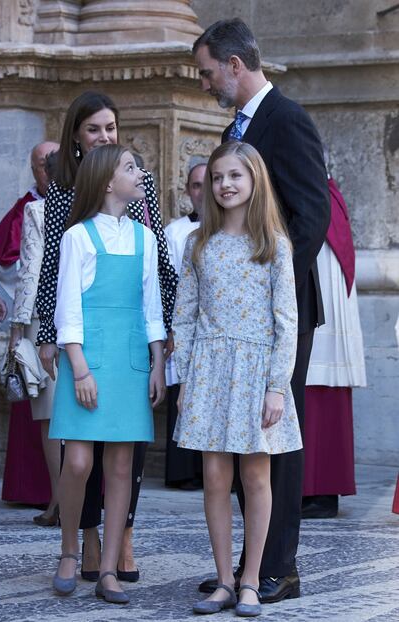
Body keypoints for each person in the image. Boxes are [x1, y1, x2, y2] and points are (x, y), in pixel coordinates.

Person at [193, 19, 330, 602]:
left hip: (280, 311)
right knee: (240, 444)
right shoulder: (237, 128)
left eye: (206, 73)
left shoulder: (288, 119)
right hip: (231, 325)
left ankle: (279, 567)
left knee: (277, 439)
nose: (204, 84)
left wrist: (266, 278)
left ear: (233, 65)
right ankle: (244, 568)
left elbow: (311, 217)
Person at [35, 91, 176, 583]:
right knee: (78, 461)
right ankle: (74, 547)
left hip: (131, 352)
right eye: (94, 129)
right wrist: (57, 342)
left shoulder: (142, 222)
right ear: (78, 136)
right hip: (87, 349)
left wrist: (162, 354)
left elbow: (156, 280)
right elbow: (56, 275)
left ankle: (114, 556)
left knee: (122, 463)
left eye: (110, 128)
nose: (105, 136)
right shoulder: (69, 213)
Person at [173, 141, 302, 617]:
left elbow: (286, 320)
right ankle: (223, 580)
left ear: (254, 182)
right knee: (213, 476)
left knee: (255, 472)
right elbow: (184, 316)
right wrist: (184, 377)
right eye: (218, 177)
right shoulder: (198, 244)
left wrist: (276, 385)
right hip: (209, 370)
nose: (226, 185)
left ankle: (252, 579)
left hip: (256, 371)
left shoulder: (273, 243)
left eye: (235, 176)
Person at [0, 141, 59, 508]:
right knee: (37, 403)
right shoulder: (26, 210)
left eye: (53, 163)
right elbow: (8, 265)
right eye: (42, 165)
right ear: (33, 170)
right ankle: (36, 490)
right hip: (33, 319)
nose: (48, 170)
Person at [302, 162, 367, 519]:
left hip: (320, 306)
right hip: (314, 302)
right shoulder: (323, 195)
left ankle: (319, 492)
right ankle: (307, 491)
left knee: (319, 389)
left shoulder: (317, 197)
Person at [9, 150, 62, 527]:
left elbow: (29, 274)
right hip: (84, 321)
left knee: (48, 418)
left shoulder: (38, 212)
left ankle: (59, 502)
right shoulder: (94, 213)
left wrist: (16, 328)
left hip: (43, 320)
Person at [164, 157, 207, 490]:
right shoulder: (175, 232)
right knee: (183, 391)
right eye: (196, 185)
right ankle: (182, 470)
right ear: (187, 192)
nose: (203, 191)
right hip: (186, 322)